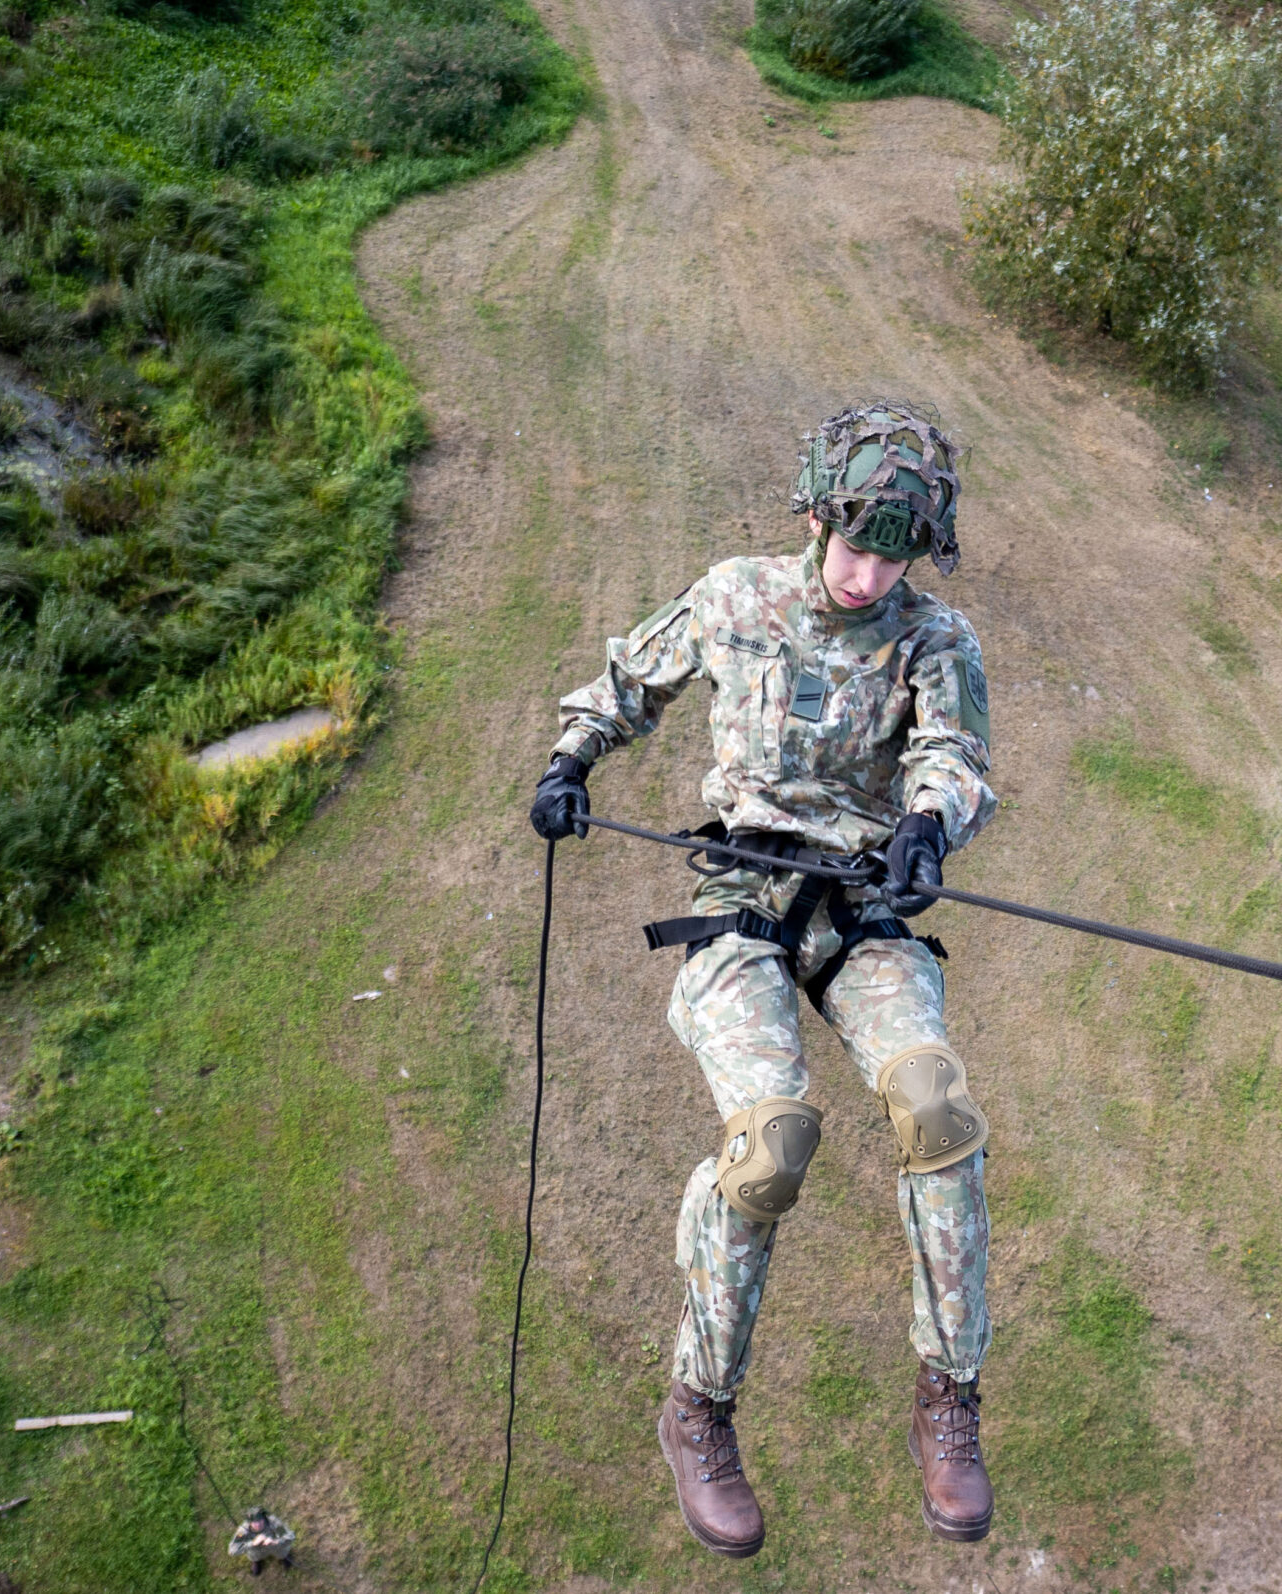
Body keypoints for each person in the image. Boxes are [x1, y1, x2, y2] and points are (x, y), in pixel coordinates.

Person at [529, 402, 997, 1557]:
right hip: (739, 900)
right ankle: (698, 1404)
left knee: (936, 1105)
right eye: (852, 541)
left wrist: (929, 824)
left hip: (861, 907)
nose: (866, 570)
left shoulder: (936, 643)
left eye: (893, 552)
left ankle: (949, 1393)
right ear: (813, 512)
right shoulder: (737, 593)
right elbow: (634, 678)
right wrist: (571, 756)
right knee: (773, 1141)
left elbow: (951, 753)